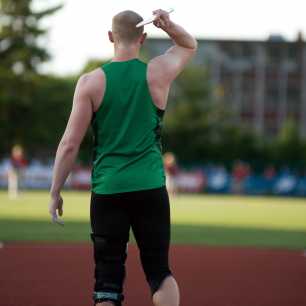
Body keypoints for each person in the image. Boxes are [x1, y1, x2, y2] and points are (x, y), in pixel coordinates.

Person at [48, 9, 197, 306]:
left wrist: (55, 191)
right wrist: (168, 26)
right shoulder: (157, 71)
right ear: (142, 37)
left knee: (107, 281)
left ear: (110, 37)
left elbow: (69, 144)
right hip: (150, 186)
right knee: (159, 272)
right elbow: (189, 45)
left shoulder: (90, 82)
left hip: (108, 189)